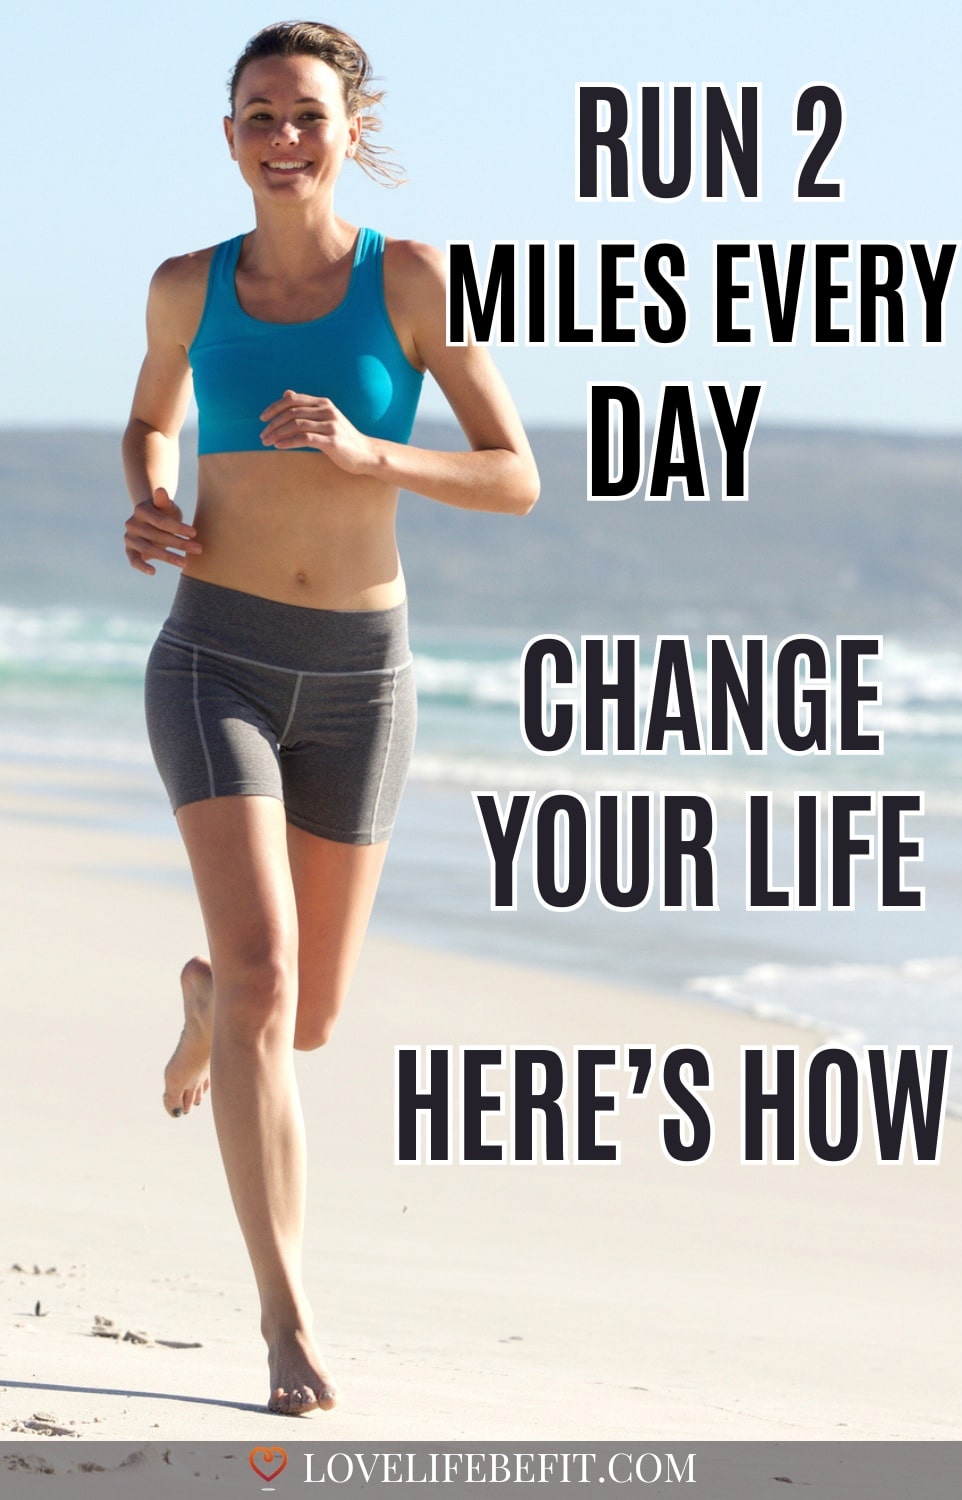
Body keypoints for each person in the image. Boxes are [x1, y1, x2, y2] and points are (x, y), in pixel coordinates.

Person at [121, 20, 538, 1417]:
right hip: (214, 658)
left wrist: (374, 454)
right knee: (266, 980)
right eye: (257, 116)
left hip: (366, 676)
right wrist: (157, 496)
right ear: (229, 137)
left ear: (350, 128)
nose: (282, 137)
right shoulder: (188, 286)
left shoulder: (414, 280)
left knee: (305, 1016)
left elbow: (515, 474)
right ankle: (286, 1322)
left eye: (305, 113)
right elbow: (148, 421)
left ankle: (204, 1004)